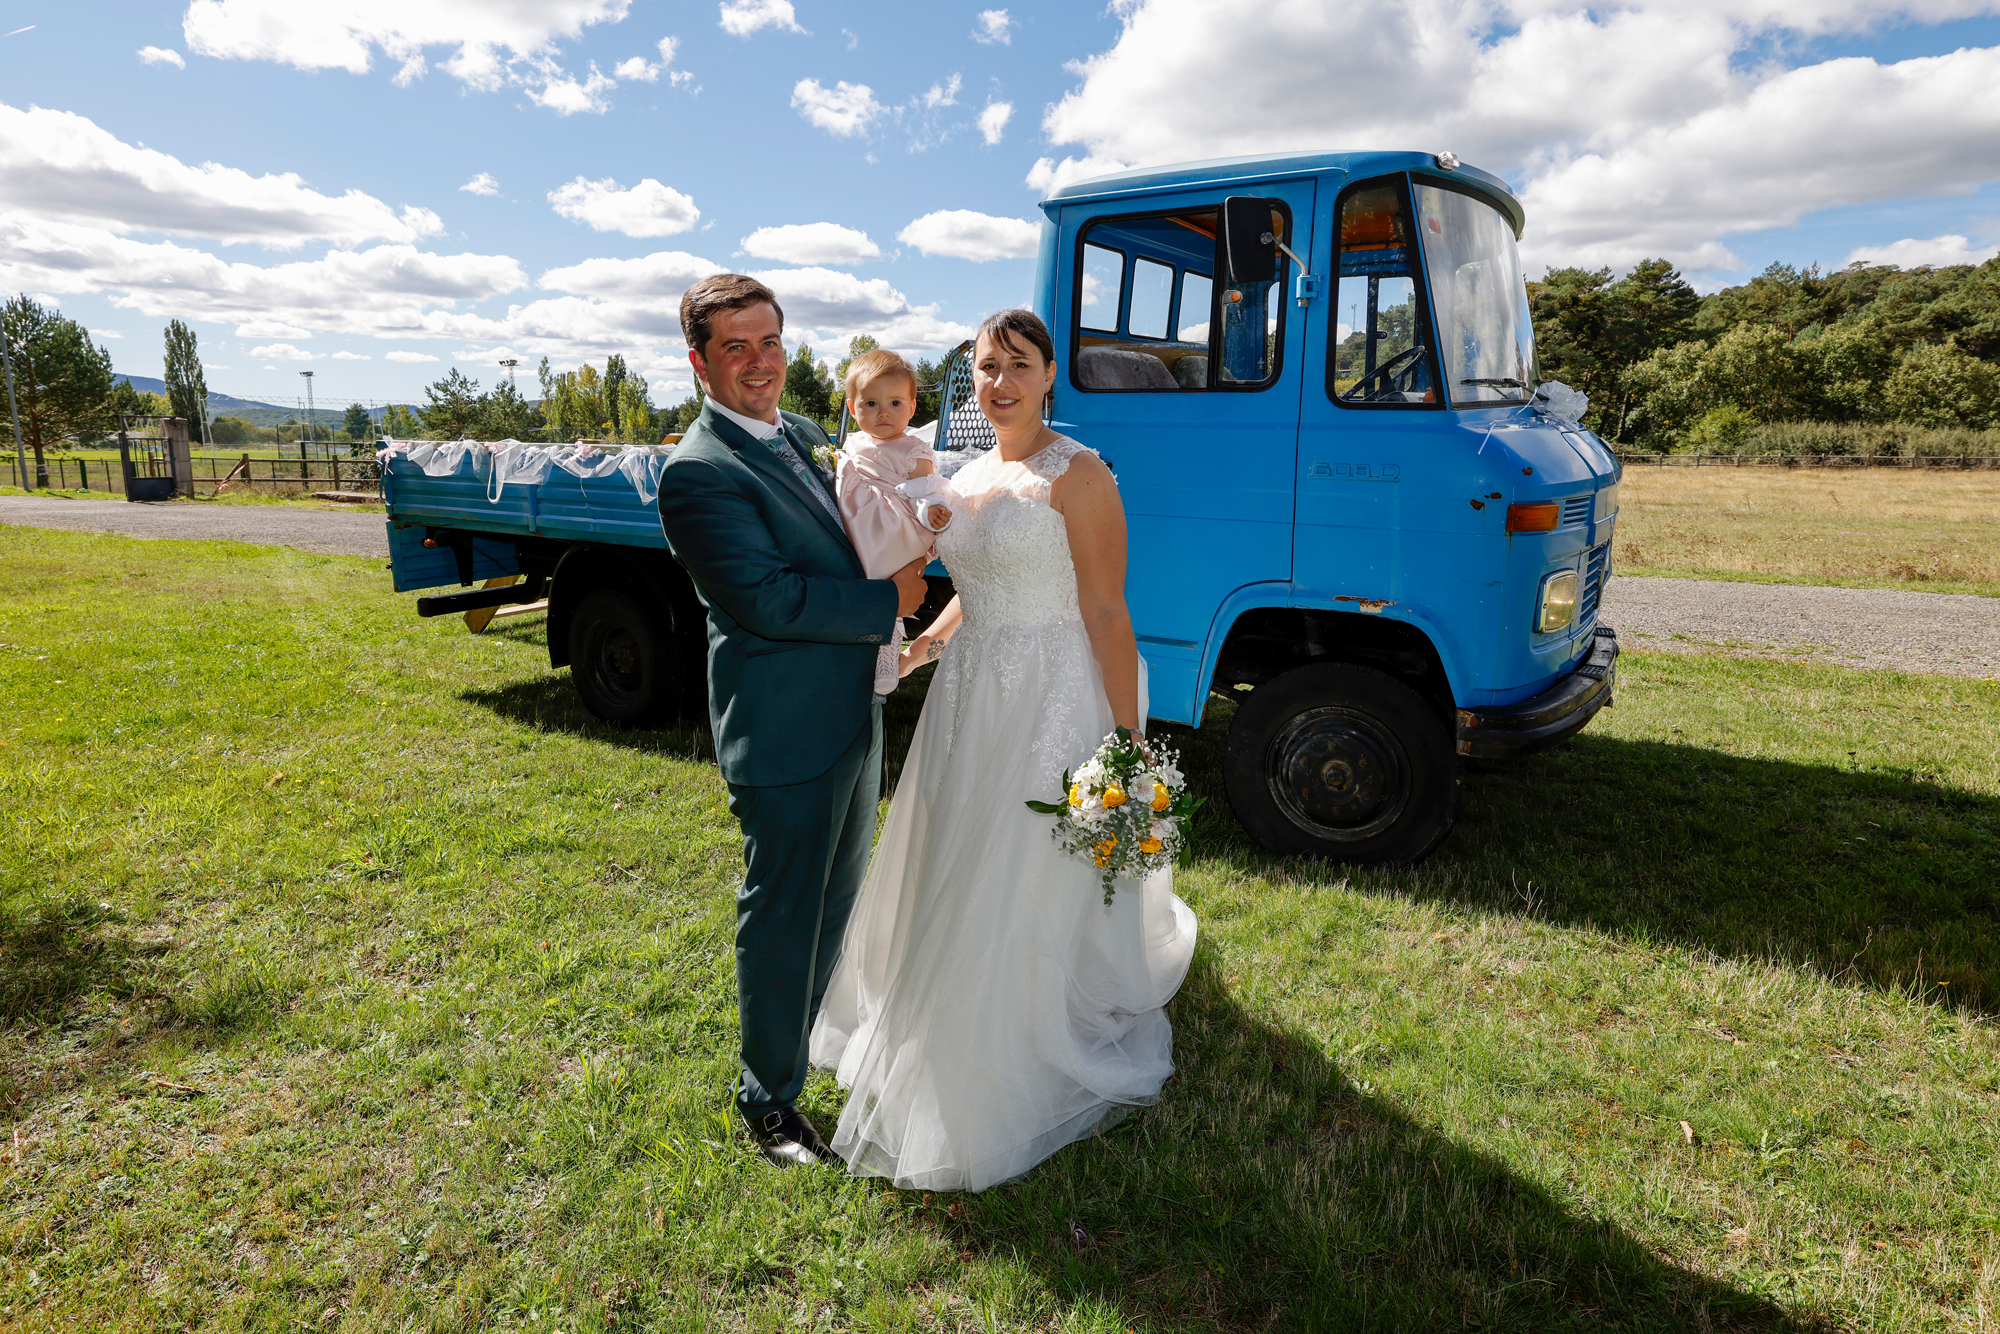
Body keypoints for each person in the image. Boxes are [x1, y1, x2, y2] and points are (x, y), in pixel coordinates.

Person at [811, 309, 1199, 1191]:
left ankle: (1029, 1015)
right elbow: (972, 592)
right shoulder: (968, 473)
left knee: (1030, 862)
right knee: (960, 850)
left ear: (1050, 373)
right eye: (985, 368)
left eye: (1017, 365)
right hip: (969, 695)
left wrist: (1126, 738)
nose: (1000, 383)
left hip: (1056, 689)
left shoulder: (1080, 472)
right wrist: (917, 651)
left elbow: (1105, 609)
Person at [655, 274, 929, 1168]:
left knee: (836, 903)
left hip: (854, 712)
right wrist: (885, 598)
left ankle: (807, 1050)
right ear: (700, 361)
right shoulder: (699, 472)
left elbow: (868, 511)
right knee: (782, 915)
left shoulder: (810, 435)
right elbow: (766, 600)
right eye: (736, 347)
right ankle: (768, 1104)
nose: (760, 362)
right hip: (783, 730)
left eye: (769, 341)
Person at [833, 348, 957, 696]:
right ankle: (863, 644)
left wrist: (929, 512)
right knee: (859, 580)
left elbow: (928, 490)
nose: (883, 412)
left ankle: (889, 644)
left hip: (894, 526)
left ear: (912, 407)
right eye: (871, 404)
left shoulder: (912, 450)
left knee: (889, 583)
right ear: (852, 407)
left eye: (895, 403)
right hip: (861, 523)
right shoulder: (854, 443)